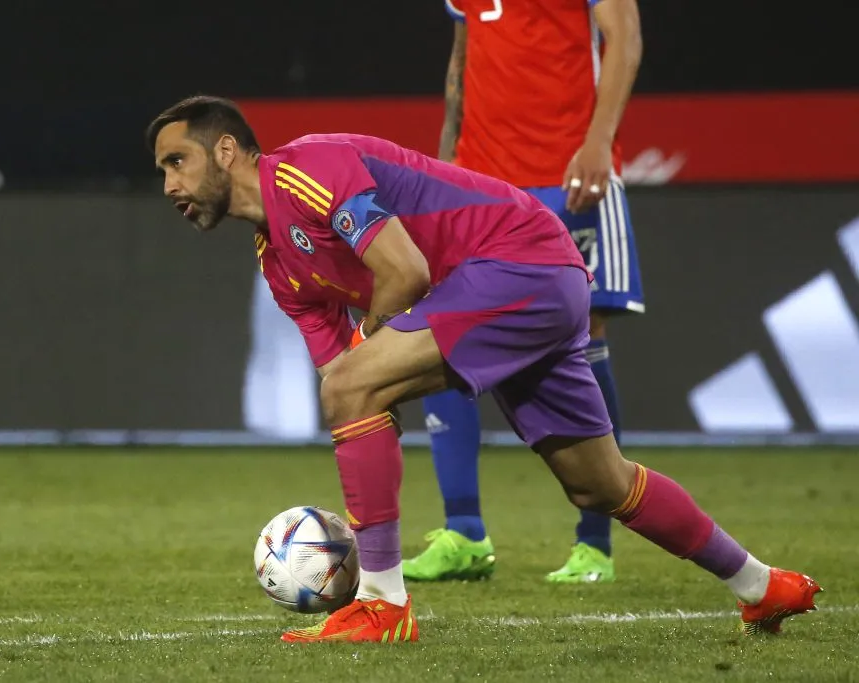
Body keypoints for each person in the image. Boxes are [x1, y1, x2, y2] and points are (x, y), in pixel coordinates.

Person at [145, 95, 821, 644]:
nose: (170, 184)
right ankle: (762, 586)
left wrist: (366, 371)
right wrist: (366, 384)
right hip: (524, 290)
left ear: (226, 150)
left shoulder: (309, 167)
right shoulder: (278, 264)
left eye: (178, 161)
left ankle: (382, 602)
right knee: (600, 483)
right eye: (162, 172)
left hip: (519, 260)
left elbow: (403, 273)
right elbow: (347, 382)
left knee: (354, 382)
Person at [405, 0, 646, 585]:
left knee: (585, 334)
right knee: (439, 331)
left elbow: (626, 39)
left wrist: (599, 141)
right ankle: (464, 532)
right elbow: (463, 59)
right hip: (481, 179)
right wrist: (444, 163)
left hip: (568, 172)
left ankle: (595, 541)